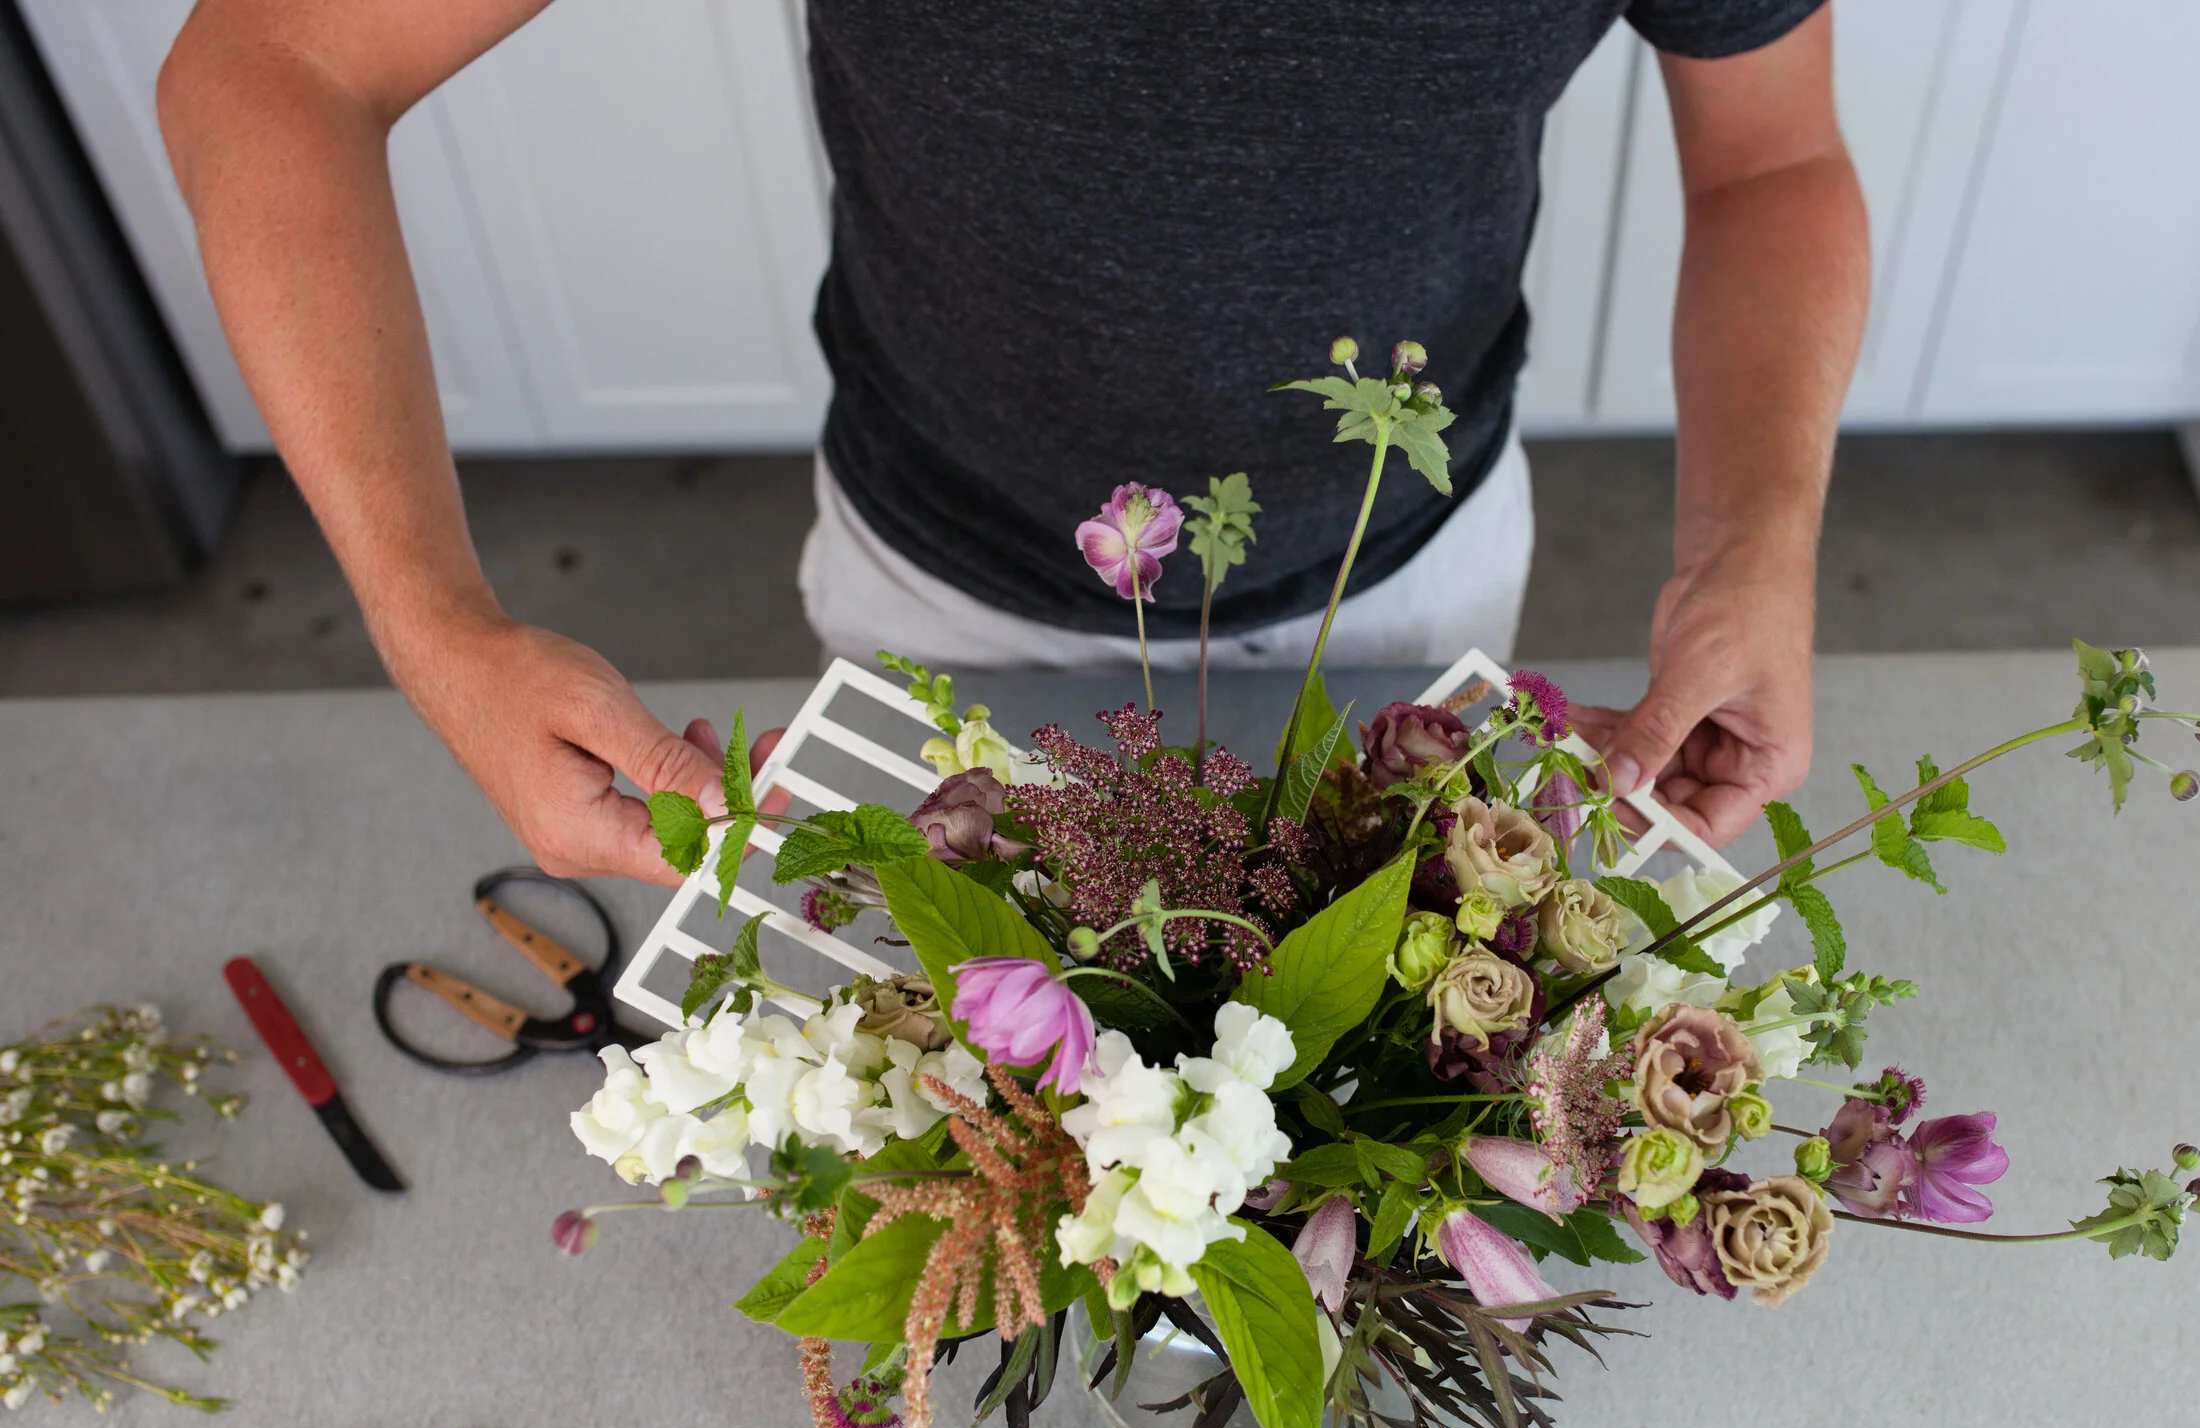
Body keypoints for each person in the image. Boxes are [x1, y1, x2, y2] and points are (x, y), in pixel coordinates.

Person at [157, 1, 1868, 884]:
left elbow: (1772, 162)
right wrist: (430, 618)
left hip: (1409, 585)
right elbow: (277, 63)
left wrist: (1755, 539)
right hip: (940, 601)